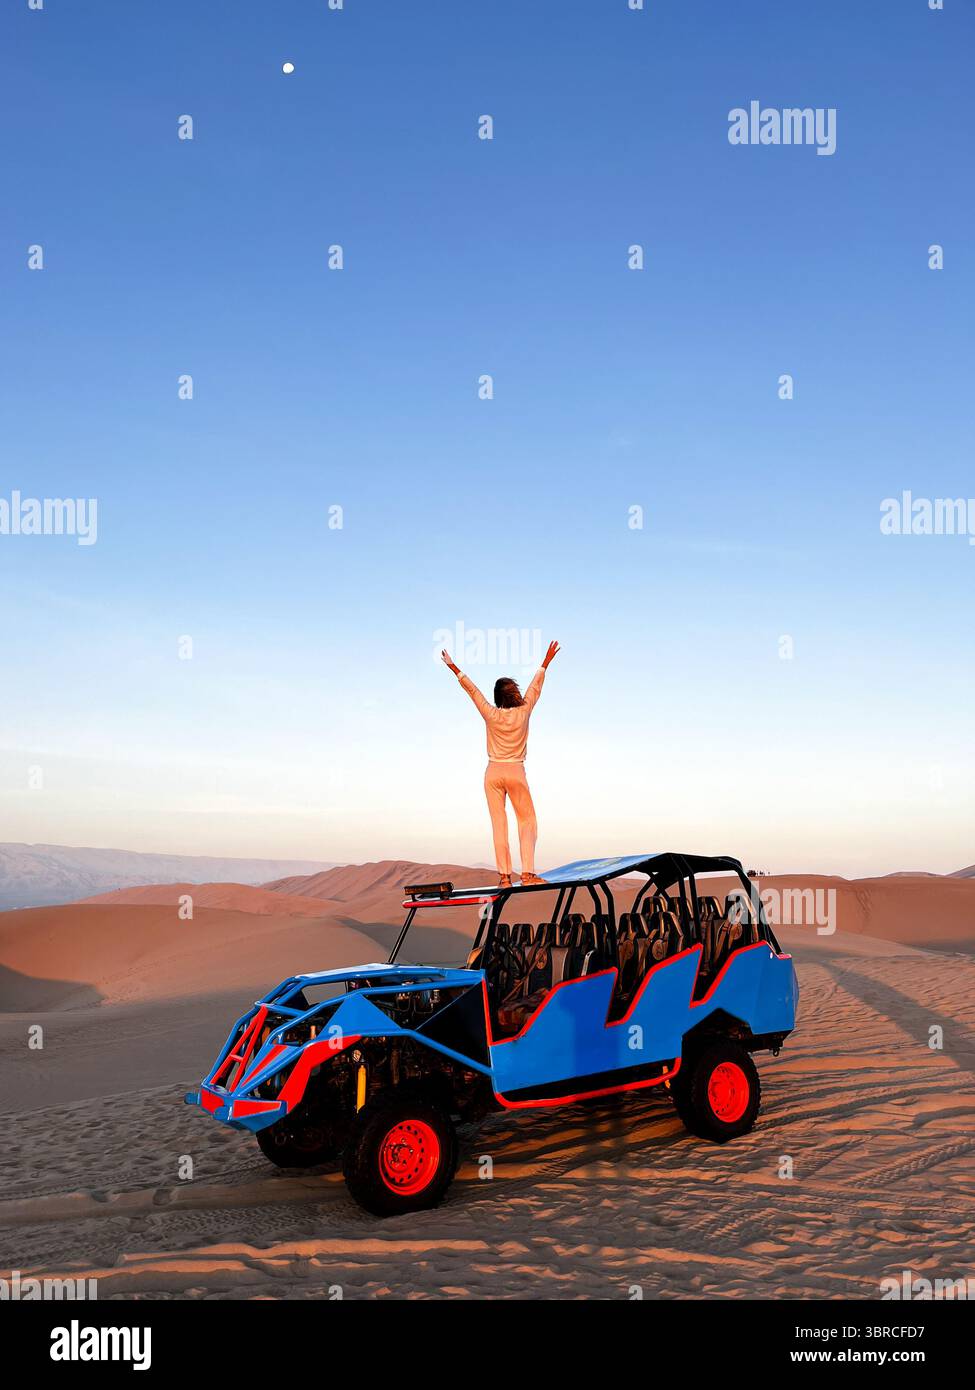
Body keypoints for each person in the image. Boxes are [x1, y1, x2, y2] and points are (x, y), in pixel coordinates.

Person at [441, 640, 560, 889]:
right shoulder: (524, 711)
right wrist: (545, 663)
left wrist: (454, 668)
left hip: (492, 772)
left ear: (497, 697)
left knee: (499, 823)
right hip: (515, 770)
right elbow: (535, 688)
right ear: (514, 694)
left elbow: (473, 691)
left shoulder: (491, 714)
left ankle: (505, 876)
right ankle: (527, 873)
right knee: (527, 820)